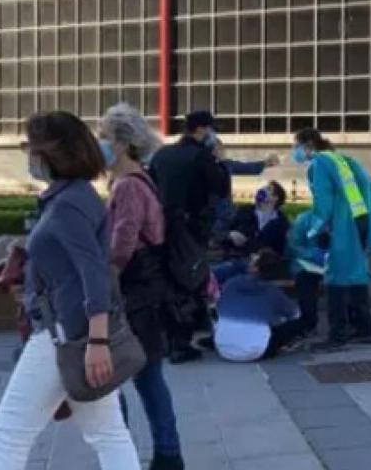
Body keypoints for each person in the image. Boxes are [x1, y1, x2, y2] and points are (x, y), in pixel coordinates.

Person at [0, 111, 140, 470]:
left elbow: (93, 272)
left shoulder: (69, 202)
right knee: (108, 433)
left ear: (50, 153)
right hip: (73, 333)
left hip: (64, 336)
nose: (27, 156)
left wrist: (98, 343)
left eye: (29, 147)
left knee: (7, 435)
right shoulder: (71, 196)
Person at [98, 104, 184, 470]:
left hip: (134, 292)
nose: (98, 144)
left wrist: (104, 277)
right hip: (147, 290)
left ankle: (131, 454)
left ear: (119, 143)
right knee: (148, 377)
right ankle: (165, 454)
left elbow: (123, 240)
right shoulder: (138, 179)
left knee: (125, 377)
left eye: (103, 136)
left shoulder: (129, 185)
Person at [148, 110, 228, 364]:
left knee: (168, 282)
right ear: (202, 130)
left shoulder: (162, 154)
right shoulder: (202, 156)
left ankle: (167, 340)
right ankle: (181, 344)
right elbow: (221, 188)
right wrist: (220, 160)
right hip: (190, 230)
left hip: (161, 228)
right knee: (190, 283)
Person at [291, 128, 371, 352]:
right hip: (360, 220)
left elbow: (324, 202)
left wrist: (315, 230)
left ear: (308, 145)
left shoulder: (319, 164)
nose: (296, 151)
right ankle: (364, 328)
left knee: (335, 277)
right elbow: (370, 184)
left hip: (342, 224)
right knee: (356, 274)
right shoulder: (340, 158)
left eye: (297, 145)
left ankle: (337, 335)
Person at [213, 251, 301, 362]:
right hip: (257, 352)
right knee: (291, 324)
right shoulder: (273, 292)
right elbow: (295, 314)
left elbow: (217, 308)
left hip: (222, 348)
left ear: (254, 267)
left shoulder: (230, 284)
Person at [212, 181, 290, 286]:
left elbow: (279, 250)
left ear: (275, 198)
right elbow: (220, 232)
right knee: (213, 275)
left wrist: (260, 257)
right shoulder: (245, 211)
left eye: (268, 189)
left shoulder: (281, 223)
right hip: (236, 260)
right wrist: (230, 235)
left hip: (262, 267)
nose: (261, 190)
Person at [209, 140, 280, 244]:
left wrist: (265, 163)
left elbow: (247, 167)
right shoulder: (209, 167)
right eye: (220, 149)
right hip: (212, 216)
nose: (222, 152)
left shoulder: (226, 165)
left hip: (224, 215)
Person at [287, 210, 328, 337]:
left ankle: (347, 322)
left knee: (344, 281)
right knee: (305, 283)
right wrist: (312, 255)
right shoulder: (304, 219)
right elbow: (294, 245)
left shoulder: (342, 219)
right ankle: (309, 324)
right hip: (305, 264)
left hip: (334, 262)